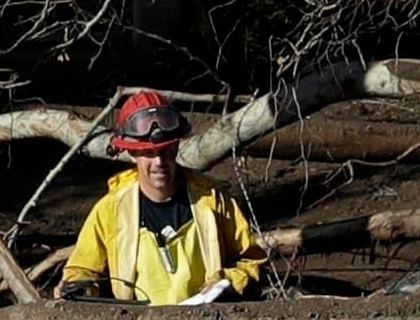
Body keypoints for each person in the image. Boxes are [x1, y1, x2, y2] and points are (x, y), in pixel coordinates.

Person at [57, 90, 267, 303]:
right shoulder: (111, 210)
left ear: (176, 147)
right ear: (132, 153)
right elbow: (82, 269)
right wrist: (79, 287)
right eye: (149, 153)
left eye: (165, 151)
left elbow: (251, 260)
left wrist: (227, 282)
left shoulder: (212, 201)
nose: (159, 162)